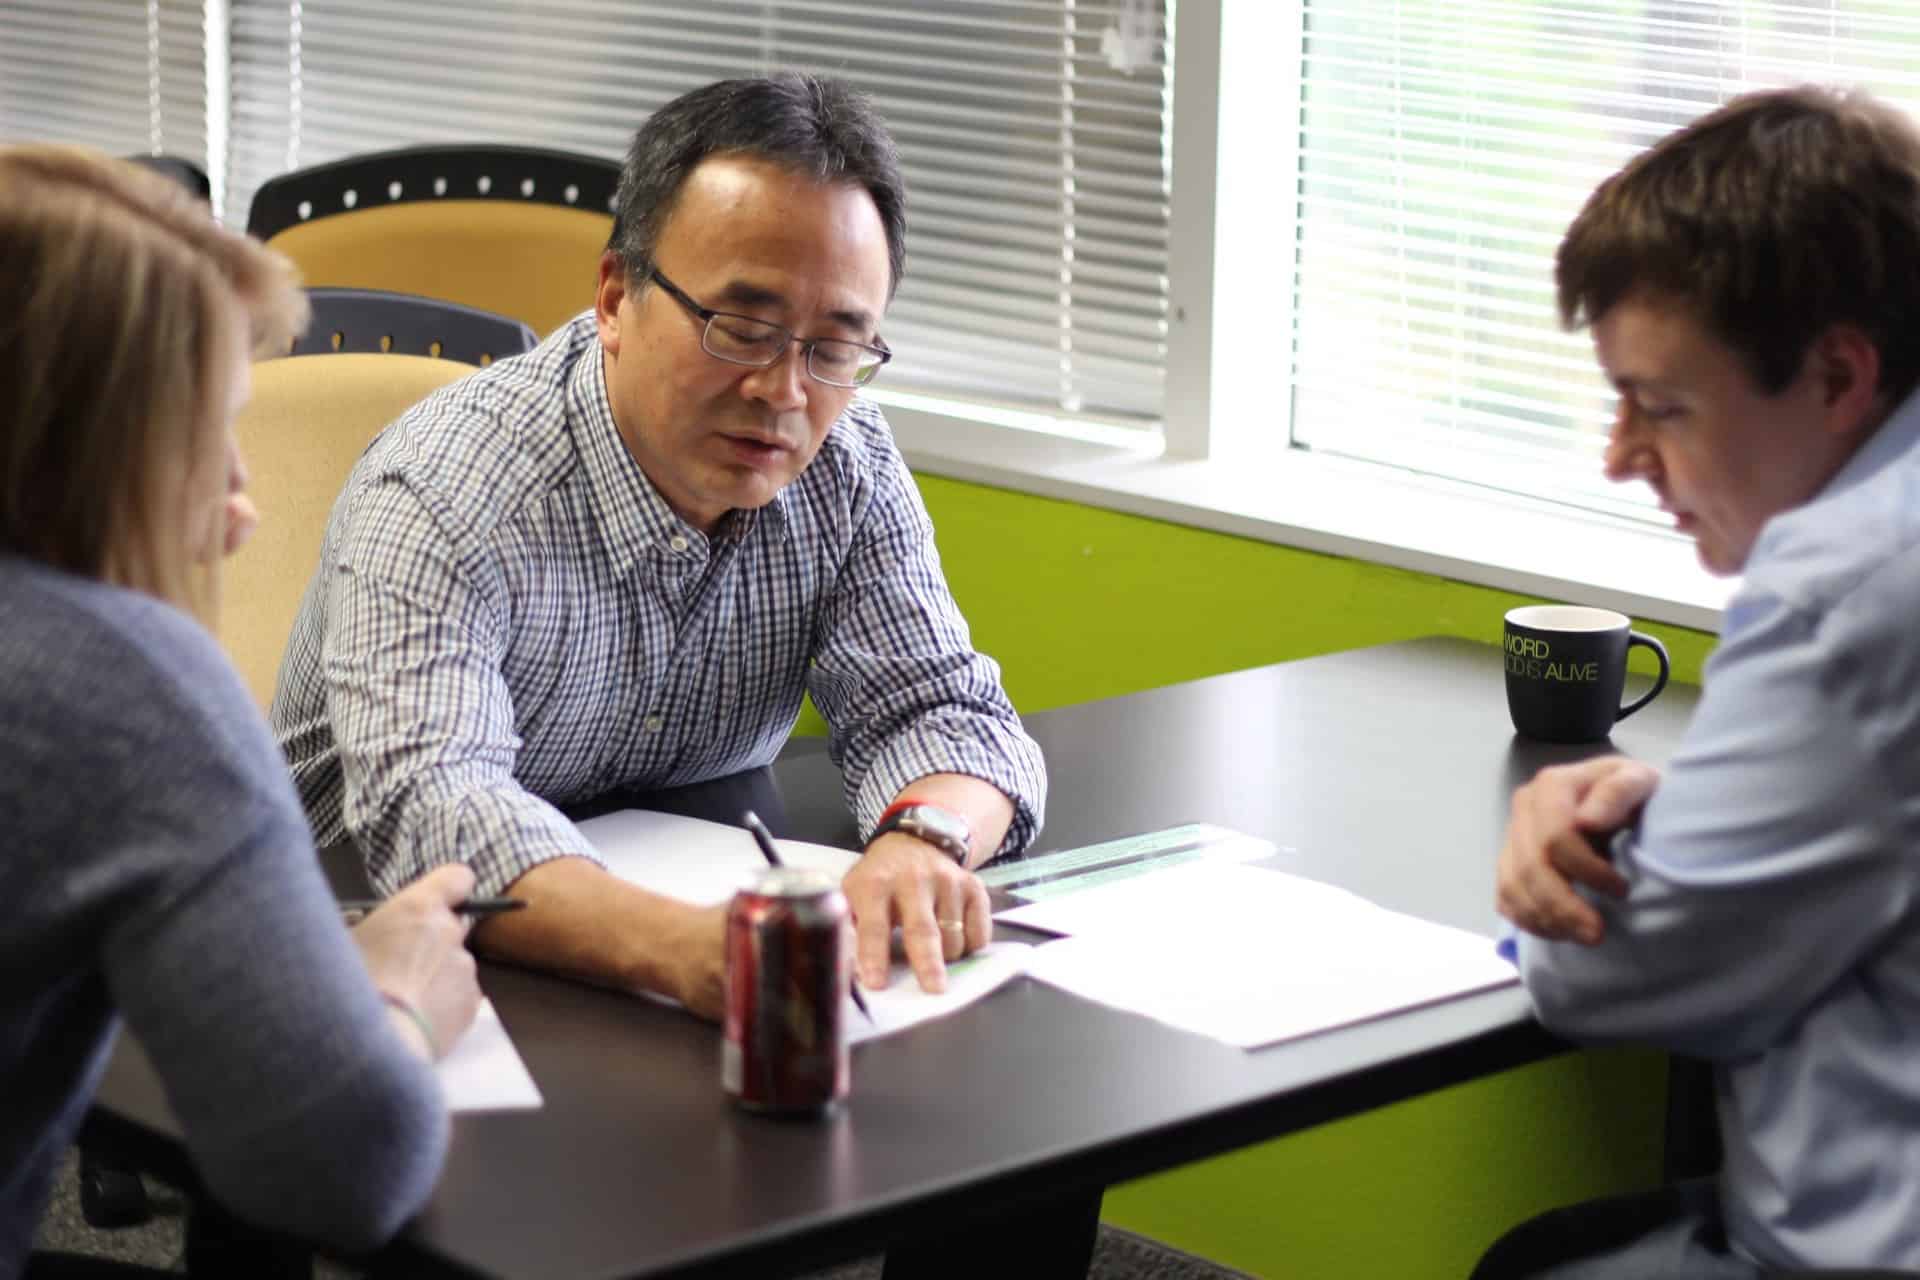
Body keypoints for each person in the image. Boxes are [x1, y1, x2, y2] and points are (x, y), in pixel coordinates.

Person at [271, 74, 1047, 1018]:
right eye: (742, 328)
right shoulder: (445, 489)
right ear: (613, 296)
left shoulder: (846, 462)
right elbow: (440, 810)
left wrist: (921, 844)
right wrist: (695, 951)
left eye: (835, 347)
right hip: (373, 966)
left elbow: (945, 710)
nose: (784, 391)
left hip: (679, 942)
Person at [0, 146, 483, 1277]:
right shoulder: (121, 681)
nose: (240, 506)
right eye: (204, 437)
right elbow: (343, 1163)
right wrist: (396, 994)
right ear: (81, 439)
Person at [1480, 85, 1920, 1277]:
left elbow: (1611, 971)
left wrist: (1574, 841)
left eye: (1659, 404)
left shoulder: (1847, 586)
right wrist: (1680, 801)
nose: (1621, 456)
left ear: (1838, 377)